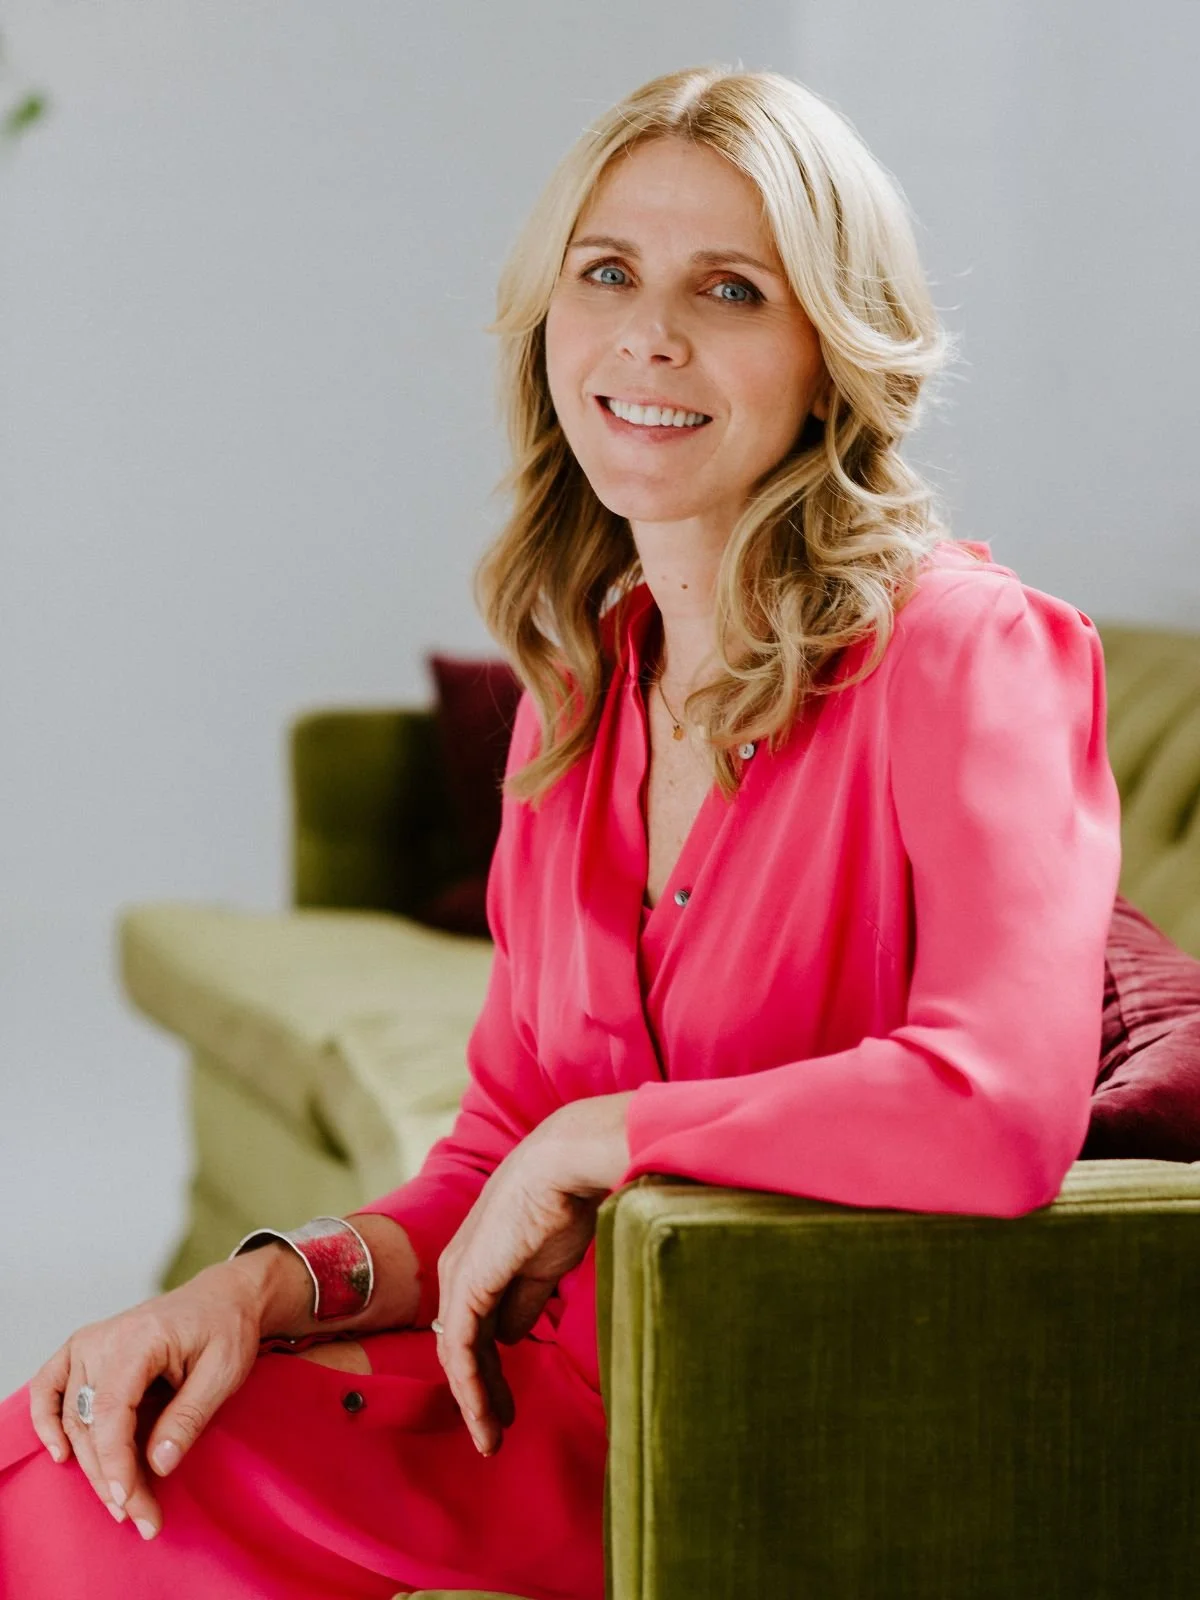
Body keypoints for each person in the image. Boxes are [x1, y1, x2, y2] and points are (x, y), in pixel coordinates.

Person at [0, 62, 1122, 1600]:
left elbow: (1002, 1109)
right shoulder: (583, 689)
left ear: (829, 353)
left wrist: (605, 1139)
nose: (651, 336)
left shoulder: (970, 653)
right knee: (79, 1441)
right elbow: (488, 1155)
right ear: (551, 322)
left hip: (754, 1425)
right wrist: (261, 1288)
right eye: (608, 274)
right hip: (526, 1401)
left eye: (730, 289)